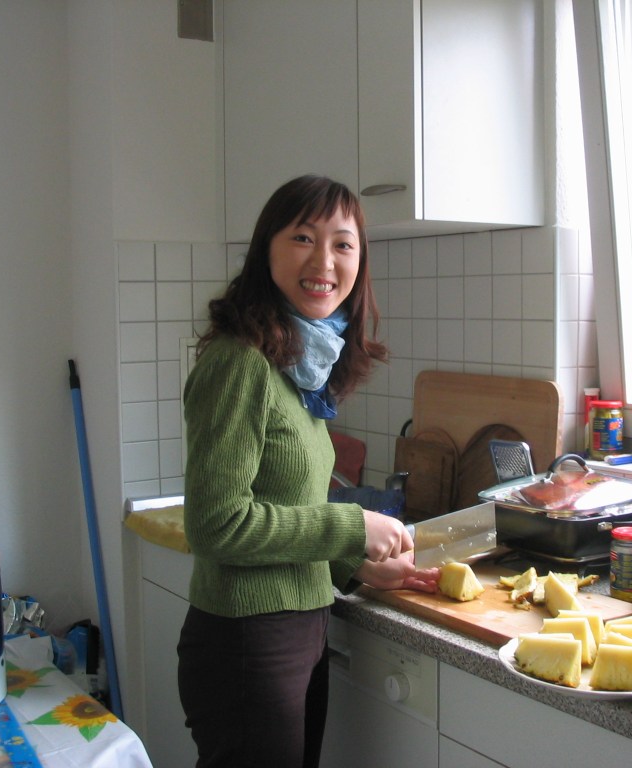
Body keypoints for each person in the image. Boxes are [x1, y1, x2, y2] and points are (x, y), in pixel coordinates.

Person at [177, 174, 441, 768]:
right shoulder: (240, 363)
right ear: (266, 249)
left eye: (343, 244)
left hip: (293, 631)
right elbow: (218, 525)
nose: (324, 261)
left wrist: (358, 567)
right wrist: (354, 528)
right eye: (302, 237)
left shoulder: (293, 366)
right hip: (247, 641)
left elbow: (287, 505)